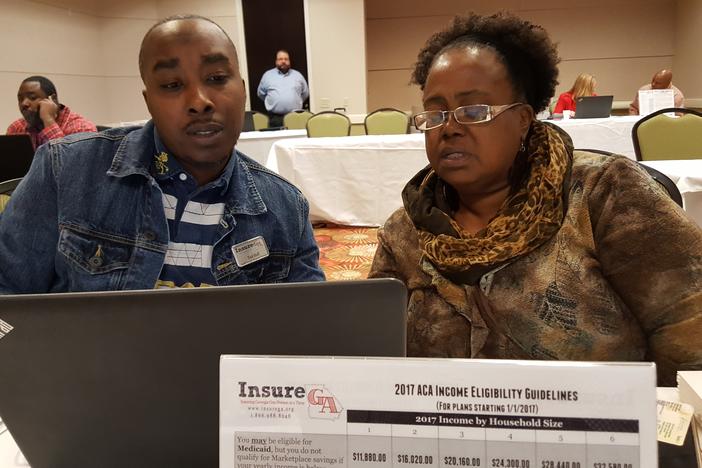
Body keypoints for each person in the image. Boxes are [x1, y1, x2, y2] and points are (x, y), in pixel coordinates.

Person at [368, 12, 702, 386]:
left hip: (597, 435)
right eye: (435, 113)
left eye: (474, 111)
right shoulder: (404, 230)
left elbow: (690, 329)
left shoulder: (602, 193)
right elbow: (374, 355)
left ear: (524, 119)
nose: (449, 129)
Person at [0, 15, 325, 293]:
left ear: (242, 89)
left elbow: (308, 327)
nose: (199, 100)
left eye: (216, 78)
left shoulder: (286, 209)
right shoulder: (64, 172)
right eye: (171, 84)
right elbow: (9, 295)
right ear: (148, 101)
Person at [6, 75, 97, 149]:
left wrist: (48, 120)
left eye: (32, 98)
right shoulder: (16, 128)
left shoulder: (81, 128)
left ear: (52, 99)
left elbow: (71, 167)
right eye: (20, 99)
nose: (24, 103)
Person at [257, 50, 309, 127]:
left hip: (295, 117)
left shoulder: (298, 75)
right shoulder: (267, 76)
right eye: (280, 59)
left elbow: (305, 93)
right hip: (275, 118)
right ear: (276, 61)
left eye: (286, 59)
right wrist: (272, 102)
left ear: (289, 61)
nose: (283, 61)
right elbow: (261, 94)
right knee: (276, 139)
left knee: (296, 138)